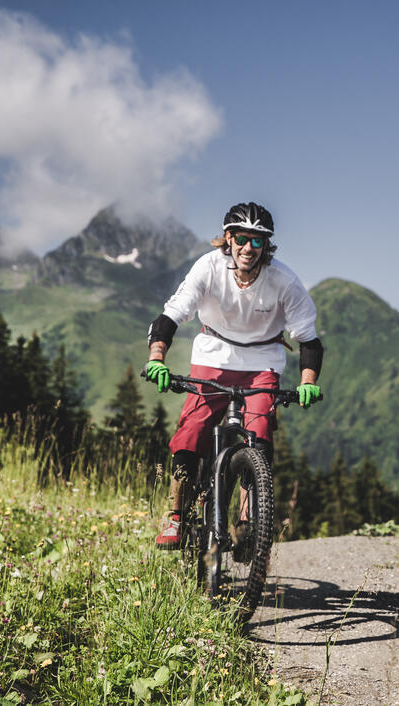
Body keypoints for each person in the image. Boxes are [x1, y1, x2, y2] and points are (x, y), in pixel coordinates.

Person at [144, 201, 324, 549]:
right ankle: (176, 516)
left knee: (258, 433)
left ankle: (248, 517)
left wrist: (307, 383)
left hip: (262, 361)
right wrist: (156, 358)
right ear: (228, 238)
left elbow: (309, 341)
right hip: (213, 353)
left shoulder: (284, 281)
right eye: (241, 238)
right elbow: (170, 316)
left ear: (266, 245)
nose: (248, 248)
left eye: (257, 241)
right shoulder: (208, 268)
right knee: (192, 429)